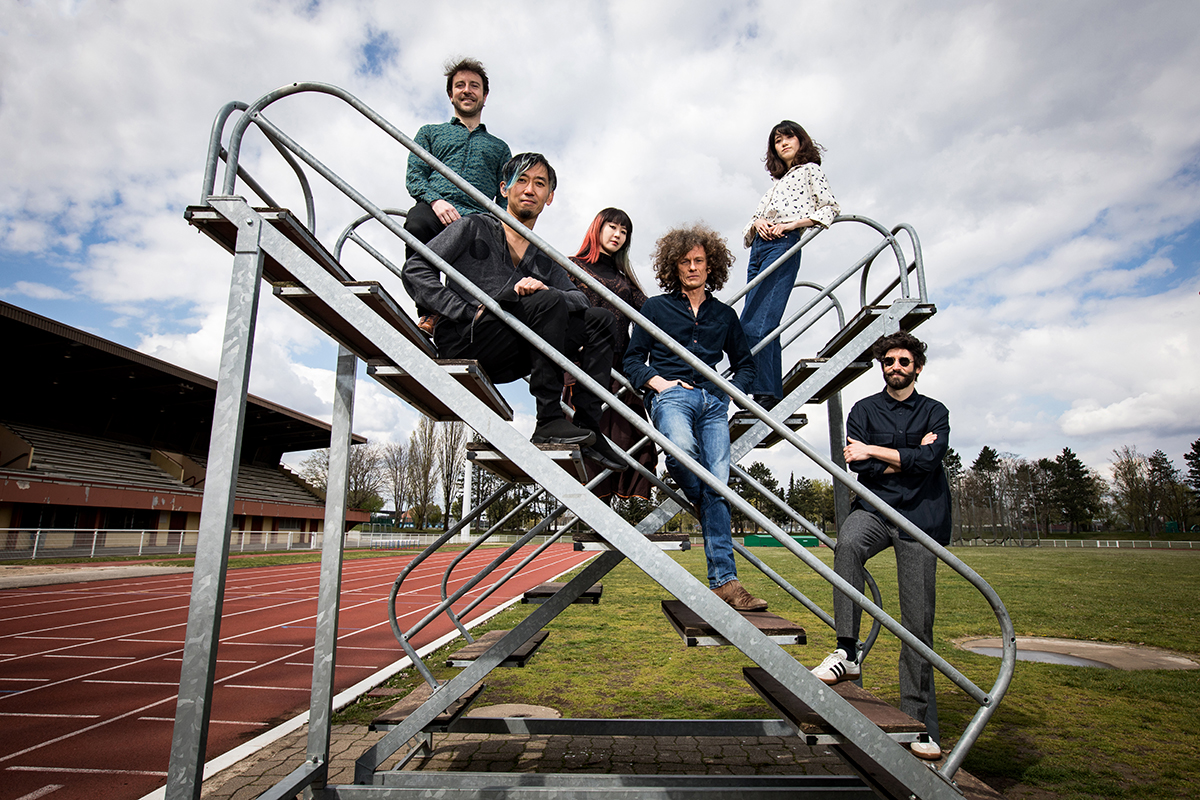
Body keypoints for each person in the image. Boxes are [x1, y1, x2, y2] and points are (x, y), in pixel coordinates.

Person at [401, 153, 624, 470]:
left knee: (599, 320)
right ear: (504, 189)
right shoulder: (474, 226)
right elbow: (416, 268)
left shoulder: (543, 255)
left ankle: (588, 424)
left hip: (510, 352)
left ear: (549, 198)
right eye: (522, 180)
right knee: (546, 302)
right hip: (467, 338)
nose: (530, 189)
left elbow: (581, 300)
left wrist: (547, 289)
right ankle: (548, 419)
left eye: (540, 184)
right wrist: (466, 310)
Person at [811, 331, 951, 759]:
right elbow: (863, 470)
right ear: (882, 366)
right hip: (874, 510)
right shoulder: (863, 409)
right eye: (889, 361)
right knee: (847, 545)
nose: (896, 367)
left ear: (918, 367)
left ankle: (919, 725)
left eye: (904, 361)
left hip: (920, 521)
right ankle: (847, 650)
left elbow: (932, 463)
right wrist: (904, 456)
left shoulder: (935, 411)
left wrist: (878, 450)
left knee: (917, 624)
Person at [623, 224, 764, 612]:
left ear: (710, 265)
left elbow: (746, 366)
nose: (692, 268)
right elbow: (632, 359)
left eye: (699, 261)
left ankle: (726, 583)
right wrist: (659, 383)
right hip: (672, 397)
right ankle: (708, 505)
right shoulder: (655, 308)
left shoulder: (725, 315)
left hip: (714, 402)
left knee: (719, 483)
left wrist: (726, 390)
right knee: (683, 452)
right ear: (674, 267)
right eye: (685, 262)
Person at [404, 57, 512, 331]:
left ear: (484, 96)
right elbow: (415, 176)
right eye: (460, 85)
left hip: (478, 219)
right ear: (450, 94)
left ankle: (468, 326)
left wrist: (499, 226)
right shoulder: (430, 133)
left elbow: (506, 195)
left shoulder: (499, 147)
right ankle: (430, 310)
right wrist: (436, 201)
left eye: (474, 86)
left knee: (484, 267)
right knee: (416, 224)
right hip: (435, 206)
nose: (467, 90)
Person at [739, 121, 839, 408]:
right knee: (753, 318)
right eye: (777, 140)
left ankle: (765, 393)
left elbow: (830, 207)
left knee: (758, 322)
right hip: (758, 248)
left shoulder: (811, 171)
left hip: (782, 244)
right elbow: (753, 219)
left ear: (800, 139)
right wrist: (757, 222)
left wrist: (793, 224)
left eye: (788, 137)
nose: (782, 143)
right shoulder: (775, 185)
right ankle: (766, 388)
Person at [564, 208, 656, 495]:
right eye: (612, 227)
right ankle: (593, 519)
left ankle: (614, 524)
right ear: (597, 228)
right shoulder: (570, 266)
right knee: (588, 440)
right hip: (585, 365)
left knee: (628, 440)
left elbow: (651, 312)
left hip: (621, 370)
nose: (617, 234)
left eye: (624, 231)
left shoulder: (624, 279)